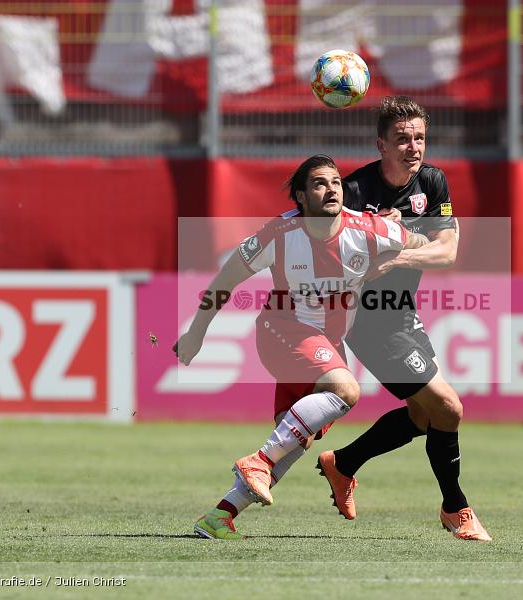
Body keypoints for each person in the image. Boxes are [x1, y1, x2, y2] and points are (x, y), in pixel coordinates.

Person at [174, 154, 429, 539]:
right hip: (283, 331)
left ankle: (219, 516)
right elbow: (225, 281)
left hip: (326, 343)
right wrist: (197, 333)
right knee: (346, 390)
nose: (331, 190)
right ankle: (257, 461)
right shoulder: (278, 234)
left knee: (294, 439)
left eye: (336, 182)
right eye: (319, 184)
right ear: (301, 196)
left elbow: (423, 241)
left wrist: (402, 242)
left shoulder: (368, 228)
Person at [315, 96, 492, 541]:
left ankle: (344, 463)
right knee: (449, 407)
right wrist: (376, 237)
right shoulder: (353, 193)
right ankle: (456, 508)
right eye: (402, 139)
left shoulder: (431, 182)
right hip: (365, 320)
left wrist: (397, 247)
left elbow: (447, 251)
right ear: (381, 144)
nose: (413, 147)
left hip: (401, 312)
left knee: (421, 415)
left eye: (419, 138)